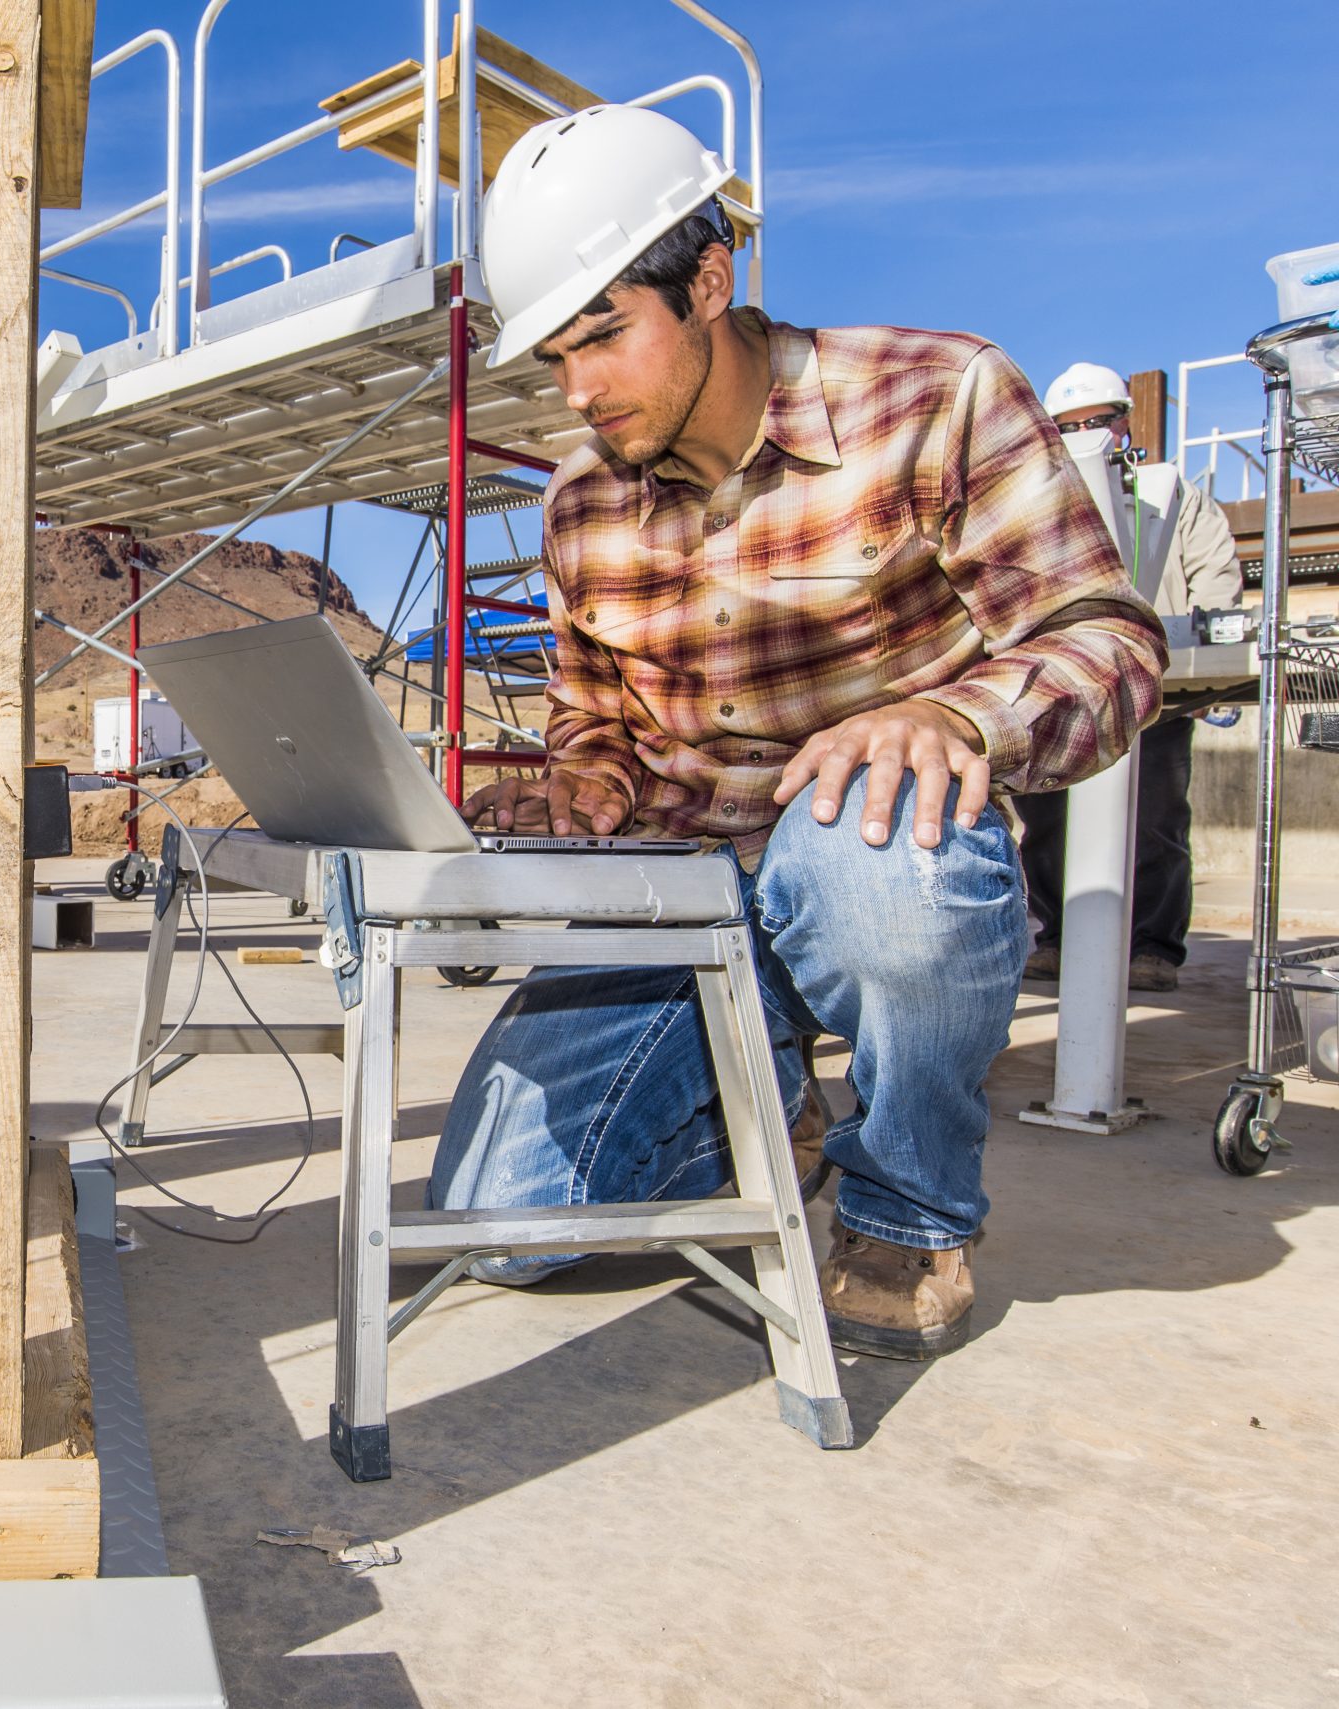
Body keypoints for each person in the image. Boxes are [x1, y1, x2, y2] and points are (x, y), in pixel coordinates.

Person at [430, 107, 1166, 1361]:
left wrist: (951, 717)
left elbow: (1109, 641)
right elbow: (591, 720)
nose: (579, 390)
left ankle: (907, 1211)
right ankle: (772, 1102)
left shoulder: (939, 400)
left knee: (871, 854)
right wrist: (583, 790)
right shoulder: (579, 502)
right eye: (554, 357)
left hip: (879, 863)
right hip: (688, 896)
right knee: (502, 1222)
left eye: (603, 337)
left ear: (710, 281)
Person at [1012, 362, 1242, 993]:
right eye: (1071, 426)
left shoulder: (1174, 497)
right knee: (1048, 819)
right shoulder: (1038, 507)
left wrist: (1197, 648)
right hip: (1062, 696)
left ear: (1124, 424)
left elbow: (1215, 581)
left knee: (1156, 820)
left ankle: (1153, 948)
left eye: (1099, 422)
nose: (1087, 434)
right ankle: (1057, 935)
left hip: (1154, 693)